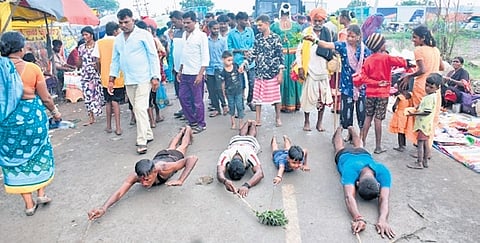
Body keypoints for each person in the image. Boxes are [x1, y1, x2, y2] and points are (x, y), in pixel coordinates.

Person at [0, 31, 61, 216]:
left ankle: (28, 204)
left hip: (7, 122)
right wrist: (56, 113)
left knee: (14, 160)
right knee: (39, 152)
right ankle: (41, 193)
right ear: (20, 47)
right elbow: (46, 98)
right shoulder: (32, 68)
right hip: (32, 119)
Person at [88, 126, 197, 220]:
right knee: (171, 146)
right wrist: (103, 208)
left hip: (172, 157)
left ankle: (187, 130)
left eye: (147, 180)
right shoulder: (136, 175)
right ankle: (180, 132)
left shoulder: (163, 168)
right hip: (160, 156)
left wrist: (180, 180)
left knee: (183, 146)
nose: (144, 184)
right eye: (141, 180)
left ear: (154, 172)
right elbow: (119, 192)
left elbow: (192, 158)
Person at [109, 8, 161, 154]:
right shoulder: (118, 39)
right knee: (138, 108)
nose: (124, 25)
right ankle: (148, 133)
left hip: (144, 78)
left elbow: (153, 56)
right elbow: (115, 59)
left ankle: (141, 141)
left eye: (126, 22)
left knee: (139, 108)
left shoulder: (143, 35)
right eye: (121, 23)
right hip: (129, 79)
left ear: (133, 20)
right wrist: (111, 79)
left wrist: (155, 76)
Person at [332, 126, 395, 239]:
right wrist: (359, 218)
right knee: (340, 148)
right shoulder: (382, 170)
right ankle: (345, 129)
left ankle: (340, 130)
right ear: (378, 184)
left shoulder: (351, 171)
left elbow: (349, 196)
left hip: (357, 154)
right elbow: (384, 198)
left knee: (347, 146)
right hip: (349, 154)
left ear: (357, 183)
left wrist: (381, 219)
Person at [309, 24, 371, 136]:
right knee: (346, 113)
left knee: (362, 113)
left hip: (361, 87)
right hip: (347, 86)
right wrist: (315, 41)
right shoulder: (343, 46)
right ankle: (350, 135)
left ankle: (362, 137)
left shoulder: (364, 50)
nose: (349, 39)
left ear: (358, 37)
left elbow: (369, 67)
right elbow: (327, 45)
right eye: (348, 36)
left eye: (352, 36)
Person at [357, 33, 408, 154]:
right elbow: (402, 62)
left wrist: (375, 83)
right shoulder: (387, 58)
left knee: (368, 117)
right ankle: (378, 146)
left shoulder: (368, 60)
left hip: (370, 93)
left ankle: (362, 143)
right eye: (384, 42)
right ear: (380, 45)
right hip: (383, 94)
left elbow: (363, 78)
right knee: (378, 119)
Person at [400, 25, 443, 154]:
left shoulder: (419, 50)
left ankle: (423, 151)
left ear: (422, 38)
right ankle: (427, 148)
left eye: (415, 37)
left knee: (420, 118)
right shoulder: (436, 50)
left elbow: (423, 70)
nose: (413, 40)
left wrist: (409, 75)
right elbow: (441, 67)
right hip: (435, 87)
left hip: (423, 87)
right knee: (431, 119)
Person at [296, 8, 333, 132]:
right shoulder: (307, 32)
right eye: (315, 21)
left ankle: (319, 123)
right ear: (312, 21)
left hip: (323, 70)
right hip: (309, 70)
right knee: (308, 98)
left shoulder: (327, 32)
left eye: (320, 21)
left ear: (323, 21)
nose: (317, 23)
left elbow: (331, 50)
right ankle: (307, 122)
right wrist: (300, 66)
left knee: (322, 99)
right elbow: (299, 51)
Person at [177, 11, 210, 134]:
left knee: (197, 101)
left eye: (188, 22)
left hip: (196, 73)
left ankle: (201, 123)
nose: (186, 25)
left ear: (195, 22)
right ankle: (192, 121)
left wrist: (200, 74)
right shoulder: (184, 35)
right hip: (185, 72)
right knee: (183, 97)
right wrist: (180, 70)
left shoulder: (201, 36)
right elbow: (183, 55)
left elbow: (205, 57)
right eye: (184, 22)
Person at [92, 21, 125, 136]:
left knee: (108, 101)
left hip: (105, 76)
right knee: (116, 101)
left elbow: (96, 60)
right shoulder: (119, 41)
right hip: (117, 76)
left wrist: (100, 71)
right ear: (115, 31)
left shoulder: (99, 42)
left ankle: (109, 126)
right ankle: (119, 127)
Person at [252, 14, 284, 127]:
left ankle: (278, 118)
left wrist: (280, 73)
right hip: (260, 72)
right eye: (257, 25)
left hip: (273, 73)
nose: (258, 27)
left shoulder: (276, 38)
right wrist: (245, 63)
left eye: (260, 25)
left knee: (276, 98)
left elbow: (280, 57)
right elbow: (254, 53)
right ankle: (258, 119)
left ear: (267, 24)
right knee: (257, 98)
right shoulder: (257, 38)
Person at [217, 120, 264, 198]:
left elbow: (260, 174)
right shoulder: (227, 154)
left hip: (245, 142)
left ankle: (251, 123)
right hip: (239, 142)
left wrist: (247, 185)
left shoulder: (248, 153)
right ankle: (251, 123)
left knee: (247, 135)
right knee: (246, 135)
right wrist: (225, 181)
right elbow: (219, 173)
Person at [271, 4, 303, 113]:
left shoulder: (274, 26)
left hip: (281, 56)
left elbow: (272, 42)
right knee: (293, 78)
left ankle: (282, 105)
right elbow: (300, 42)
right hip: (294, 55)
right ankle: (294, 104)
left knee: (282, 79)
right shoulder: (296, 26)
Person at [406, 73, 442, 169]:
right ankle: (425, 161)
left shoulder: (429, 98)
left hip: (423, 124)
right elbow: (423, 105)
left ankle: (419, 162)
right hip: (427, 124)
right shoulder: (431, 96)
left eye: (431, 87)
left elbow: (426, 112)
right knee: (425, 143)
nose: (427, 88)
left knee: (420, 144)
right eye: (426, 85)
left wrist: (413, 114)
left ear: (437, 88)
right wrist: (416, 107)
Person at [227, 12, 256, 112]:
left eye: (247, 20)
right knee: (239, 85)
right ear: (238, 21)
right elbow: (229, 49)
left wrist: (250, 52)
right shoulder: (231, 33)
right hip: (237, 62)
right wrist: (241, 51)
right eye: (244, 20)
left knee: (252, 83)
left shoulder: (250, 31)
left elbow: (253, 45)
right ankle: (240, 105)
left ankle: (249, 101)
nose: (246, 22)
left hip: (249, 61)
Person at [78, 26, 104, 126]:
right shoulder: (81, 47)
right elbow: (79, 62)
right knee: (87, 95)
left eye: (86, 34)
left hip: (95, 73)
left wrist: (98, 67)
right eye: (83, 35)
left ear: (91, 35)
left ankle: (98, 110)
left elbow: (100, 59)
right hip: (85, 74)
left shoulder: (97, 46)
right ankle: (91, 116)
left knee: (97, 93)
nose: (84, 37)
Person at [219, 51, 248, 129]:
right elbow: (223, 84)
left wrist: (242, 65)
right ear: (223, 60)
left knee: (239, 106)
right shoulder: (223, 72)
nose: (230, 62)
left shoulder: (235, 66)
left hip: (238, 91)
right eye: (228, 60)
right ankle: (233, 122)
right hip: (229, 92)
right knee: (231, 107)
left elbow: (241, 70)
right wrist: (223, 93)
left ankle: (241, 122)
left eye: (231, 60)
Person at [206, 20, 228, 118]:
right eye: (214, 29)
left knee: (219, 88)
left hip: (219, 67)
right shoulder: (206, 41)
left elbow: (226, 54)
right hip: (209, 68)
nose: (216, 30)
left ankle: (224, 105)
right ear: (209, 29)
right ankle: (216, 109)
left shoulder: (223, 40)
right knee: (211, 90)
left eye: (217, 28)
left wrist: (226, 67)